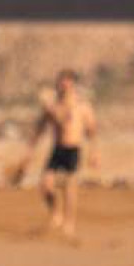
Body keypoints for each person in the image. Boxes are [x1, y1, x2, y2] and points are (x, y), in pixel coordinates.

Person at [20, 69, 98, 237]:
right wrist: (29, 153)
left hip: (73, 149)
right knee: (45, 184)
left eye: (67, 83)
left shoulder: (82, 106)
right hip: (57, 149)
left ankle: (69, 223)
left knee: (69, 188)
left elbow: (91, 130)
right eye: (61, 82)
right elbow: (39, 129)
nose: (63, 86)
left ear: (73, 85)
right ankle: (56, 213)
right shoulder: (53, 106)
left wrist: (93, 152)